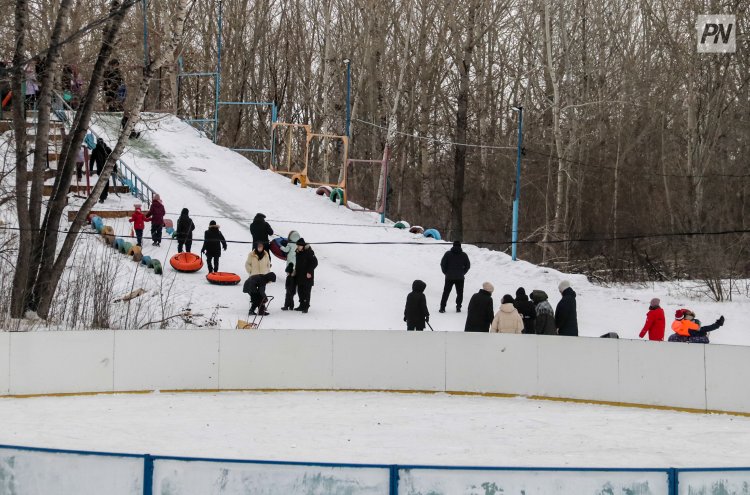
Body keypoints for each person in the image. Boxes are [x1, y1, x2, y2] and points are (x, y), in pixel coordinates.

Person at [439, 241, 470, 313]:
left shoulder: (448, 254)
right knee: (460, 293)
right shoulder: (464, 255)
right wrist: (463, 273)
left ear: (453, 246)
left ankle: (442, 308)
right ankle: (458, 307)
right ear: (460, 246)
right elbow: (468, 266)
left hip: (449, 277)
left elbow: (442, 264)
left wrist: (446, 272)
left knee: (446, 292)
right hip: (460, 277)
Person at [293, 238, 318, 313]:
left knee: (306, 292)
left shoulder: (309, 252)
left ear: (303, 246)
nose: (298, 247)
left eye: (299, 246)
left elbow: (315, 263)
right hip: (299, 275)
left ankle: (306, 307)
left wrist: (309, 272)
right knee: (300, 291)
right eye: (297, 246)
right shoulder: (298, 252)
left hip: (307, 276)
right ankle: (301, 305)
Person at [280, 230, 301, 311]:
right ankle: (291, 305)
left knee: (288, 288)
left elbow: (285, 250)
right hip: (296, 267)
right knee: (292, 288)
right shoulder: (298, 245)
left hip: (290, 266)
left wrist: (281, 246)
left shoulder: (289, 244)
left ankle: (287, 305)